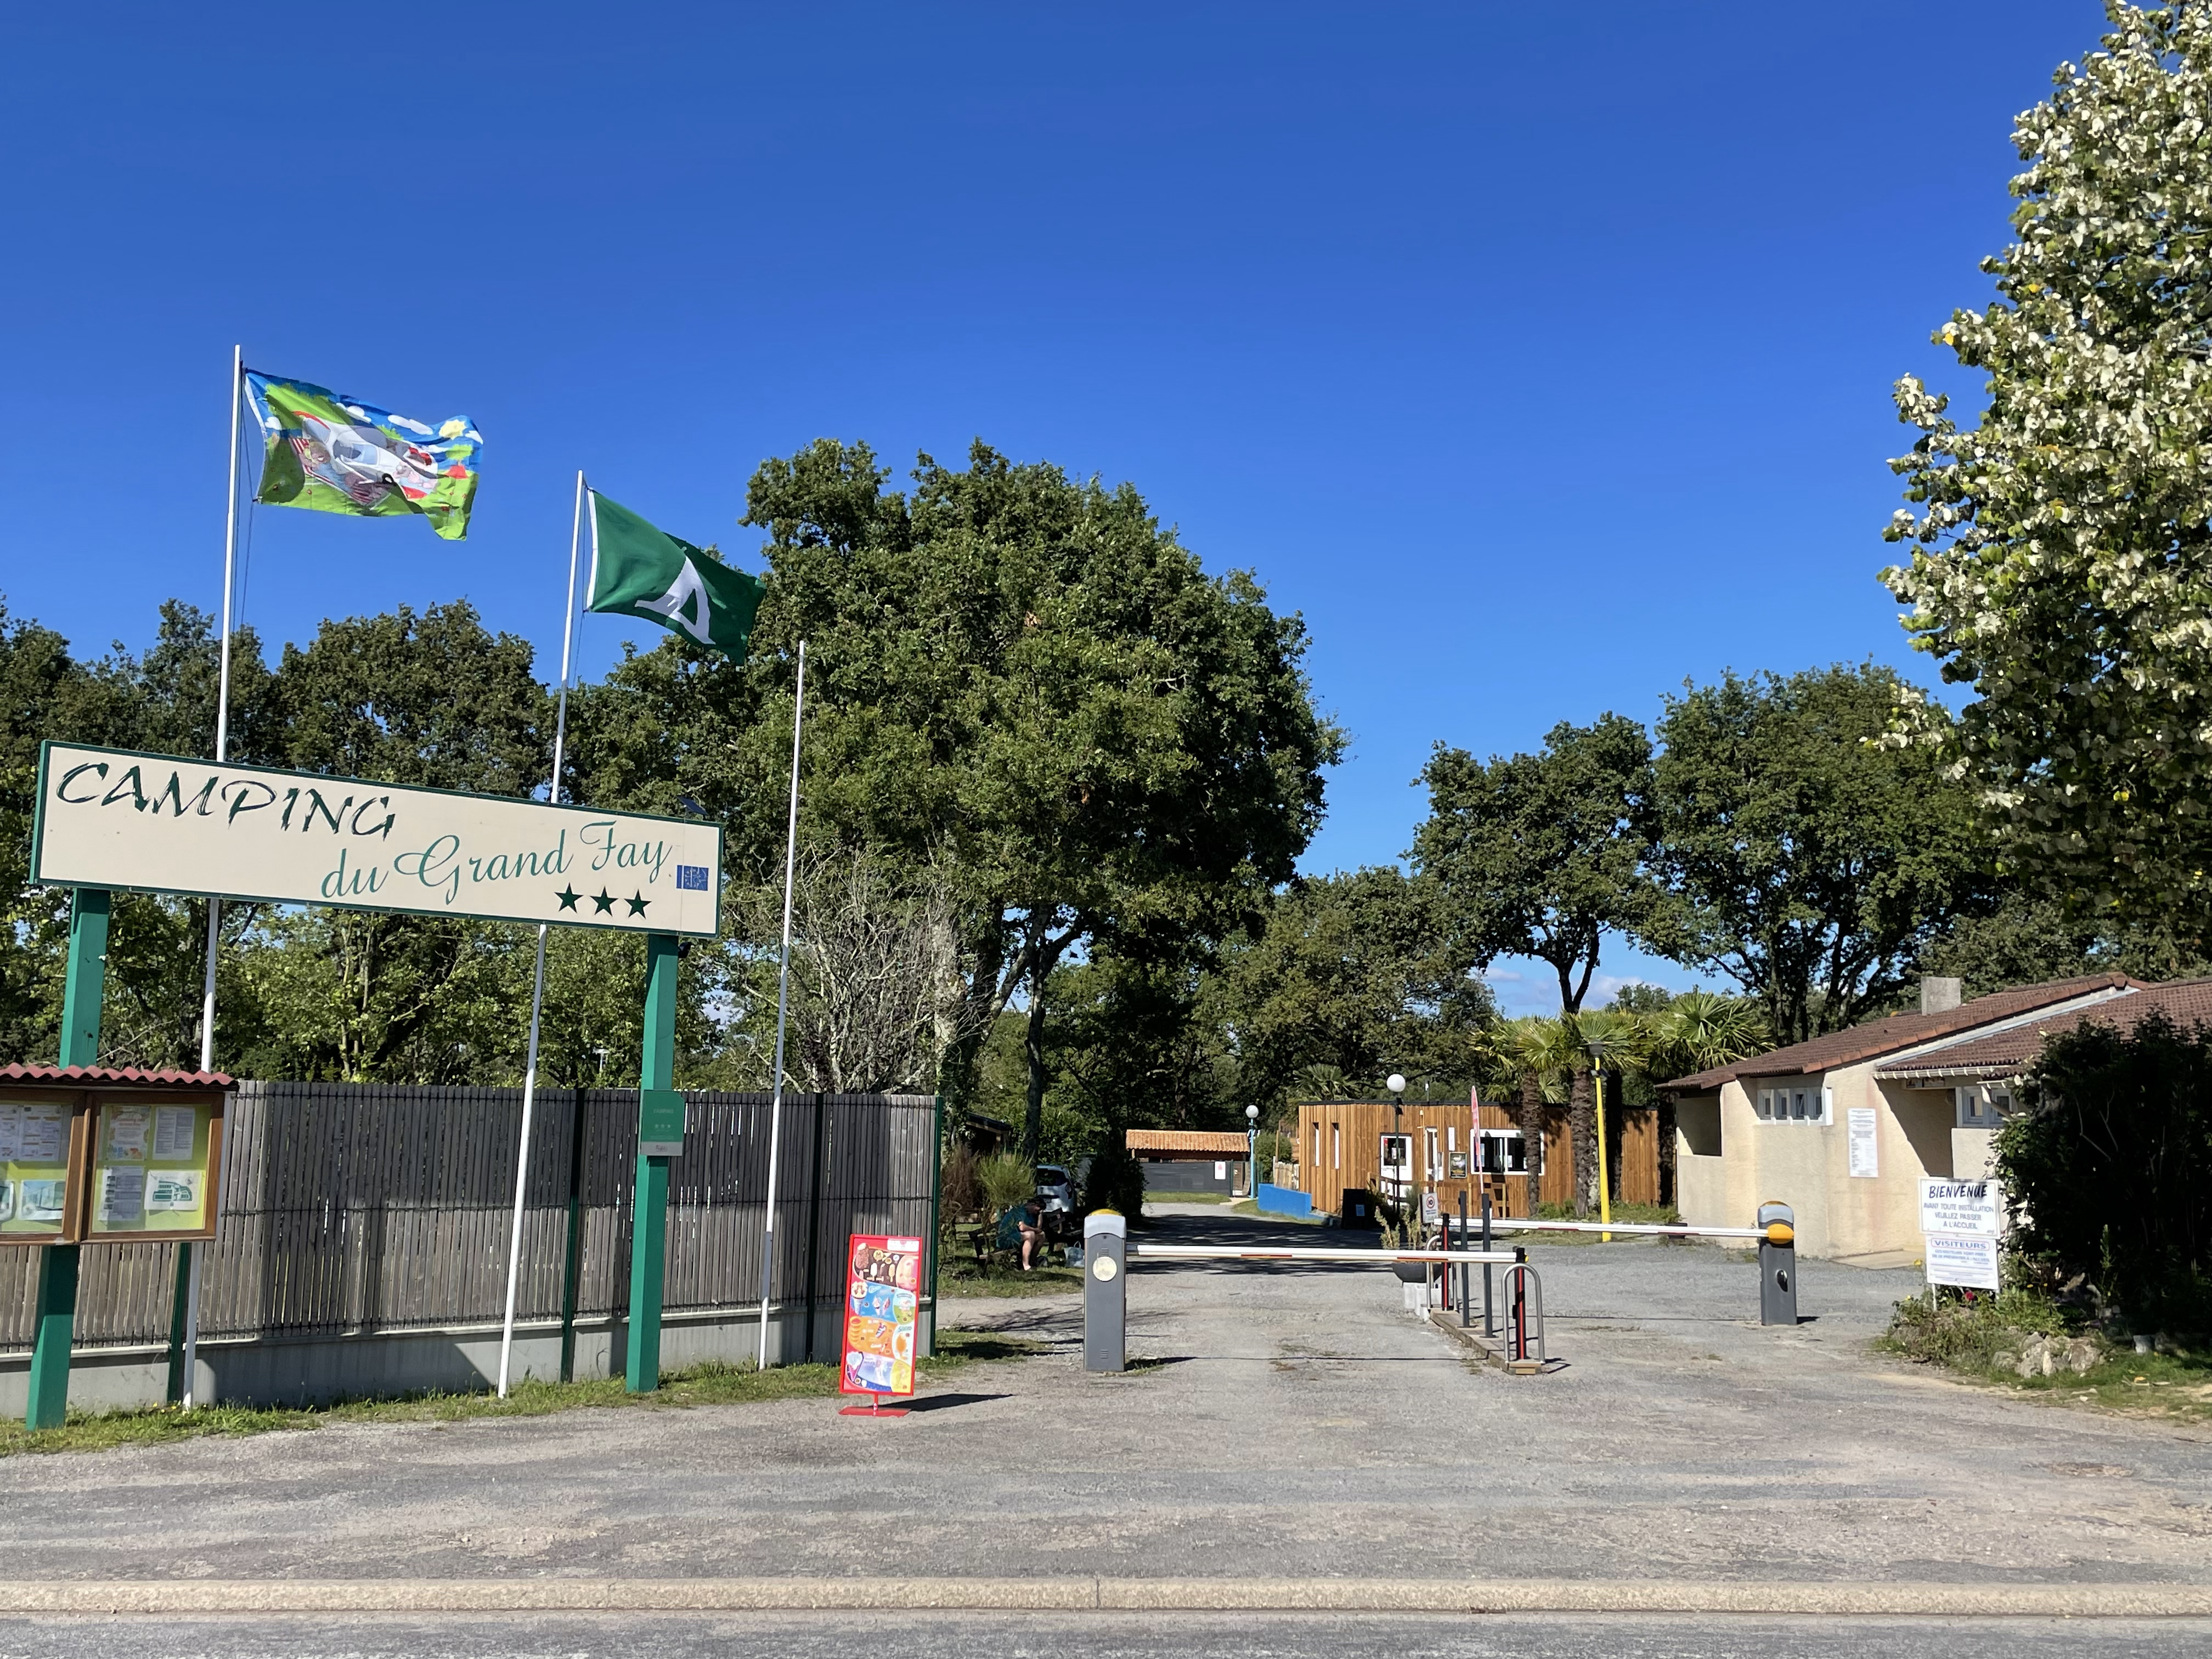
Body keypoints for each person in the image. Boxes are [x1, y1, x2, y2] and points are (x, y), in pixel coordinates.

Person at [1018, 1195, 1045, 1271]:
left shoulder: (1030, 1215)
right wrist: (1034, 1230)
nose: (1036, 1213)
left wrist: (1040, 1215)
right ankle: (1025, 1265)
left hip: (1019, 1236)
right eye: (1037, 1211)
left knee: (1042, 1236)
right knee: (1030, 1235)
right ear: (1033, 1205)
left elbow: (1039, 1229)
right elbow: (1022, 1227)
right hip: (1008, 1236)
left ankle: (1032, 1261)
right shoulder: (1021, 1211)